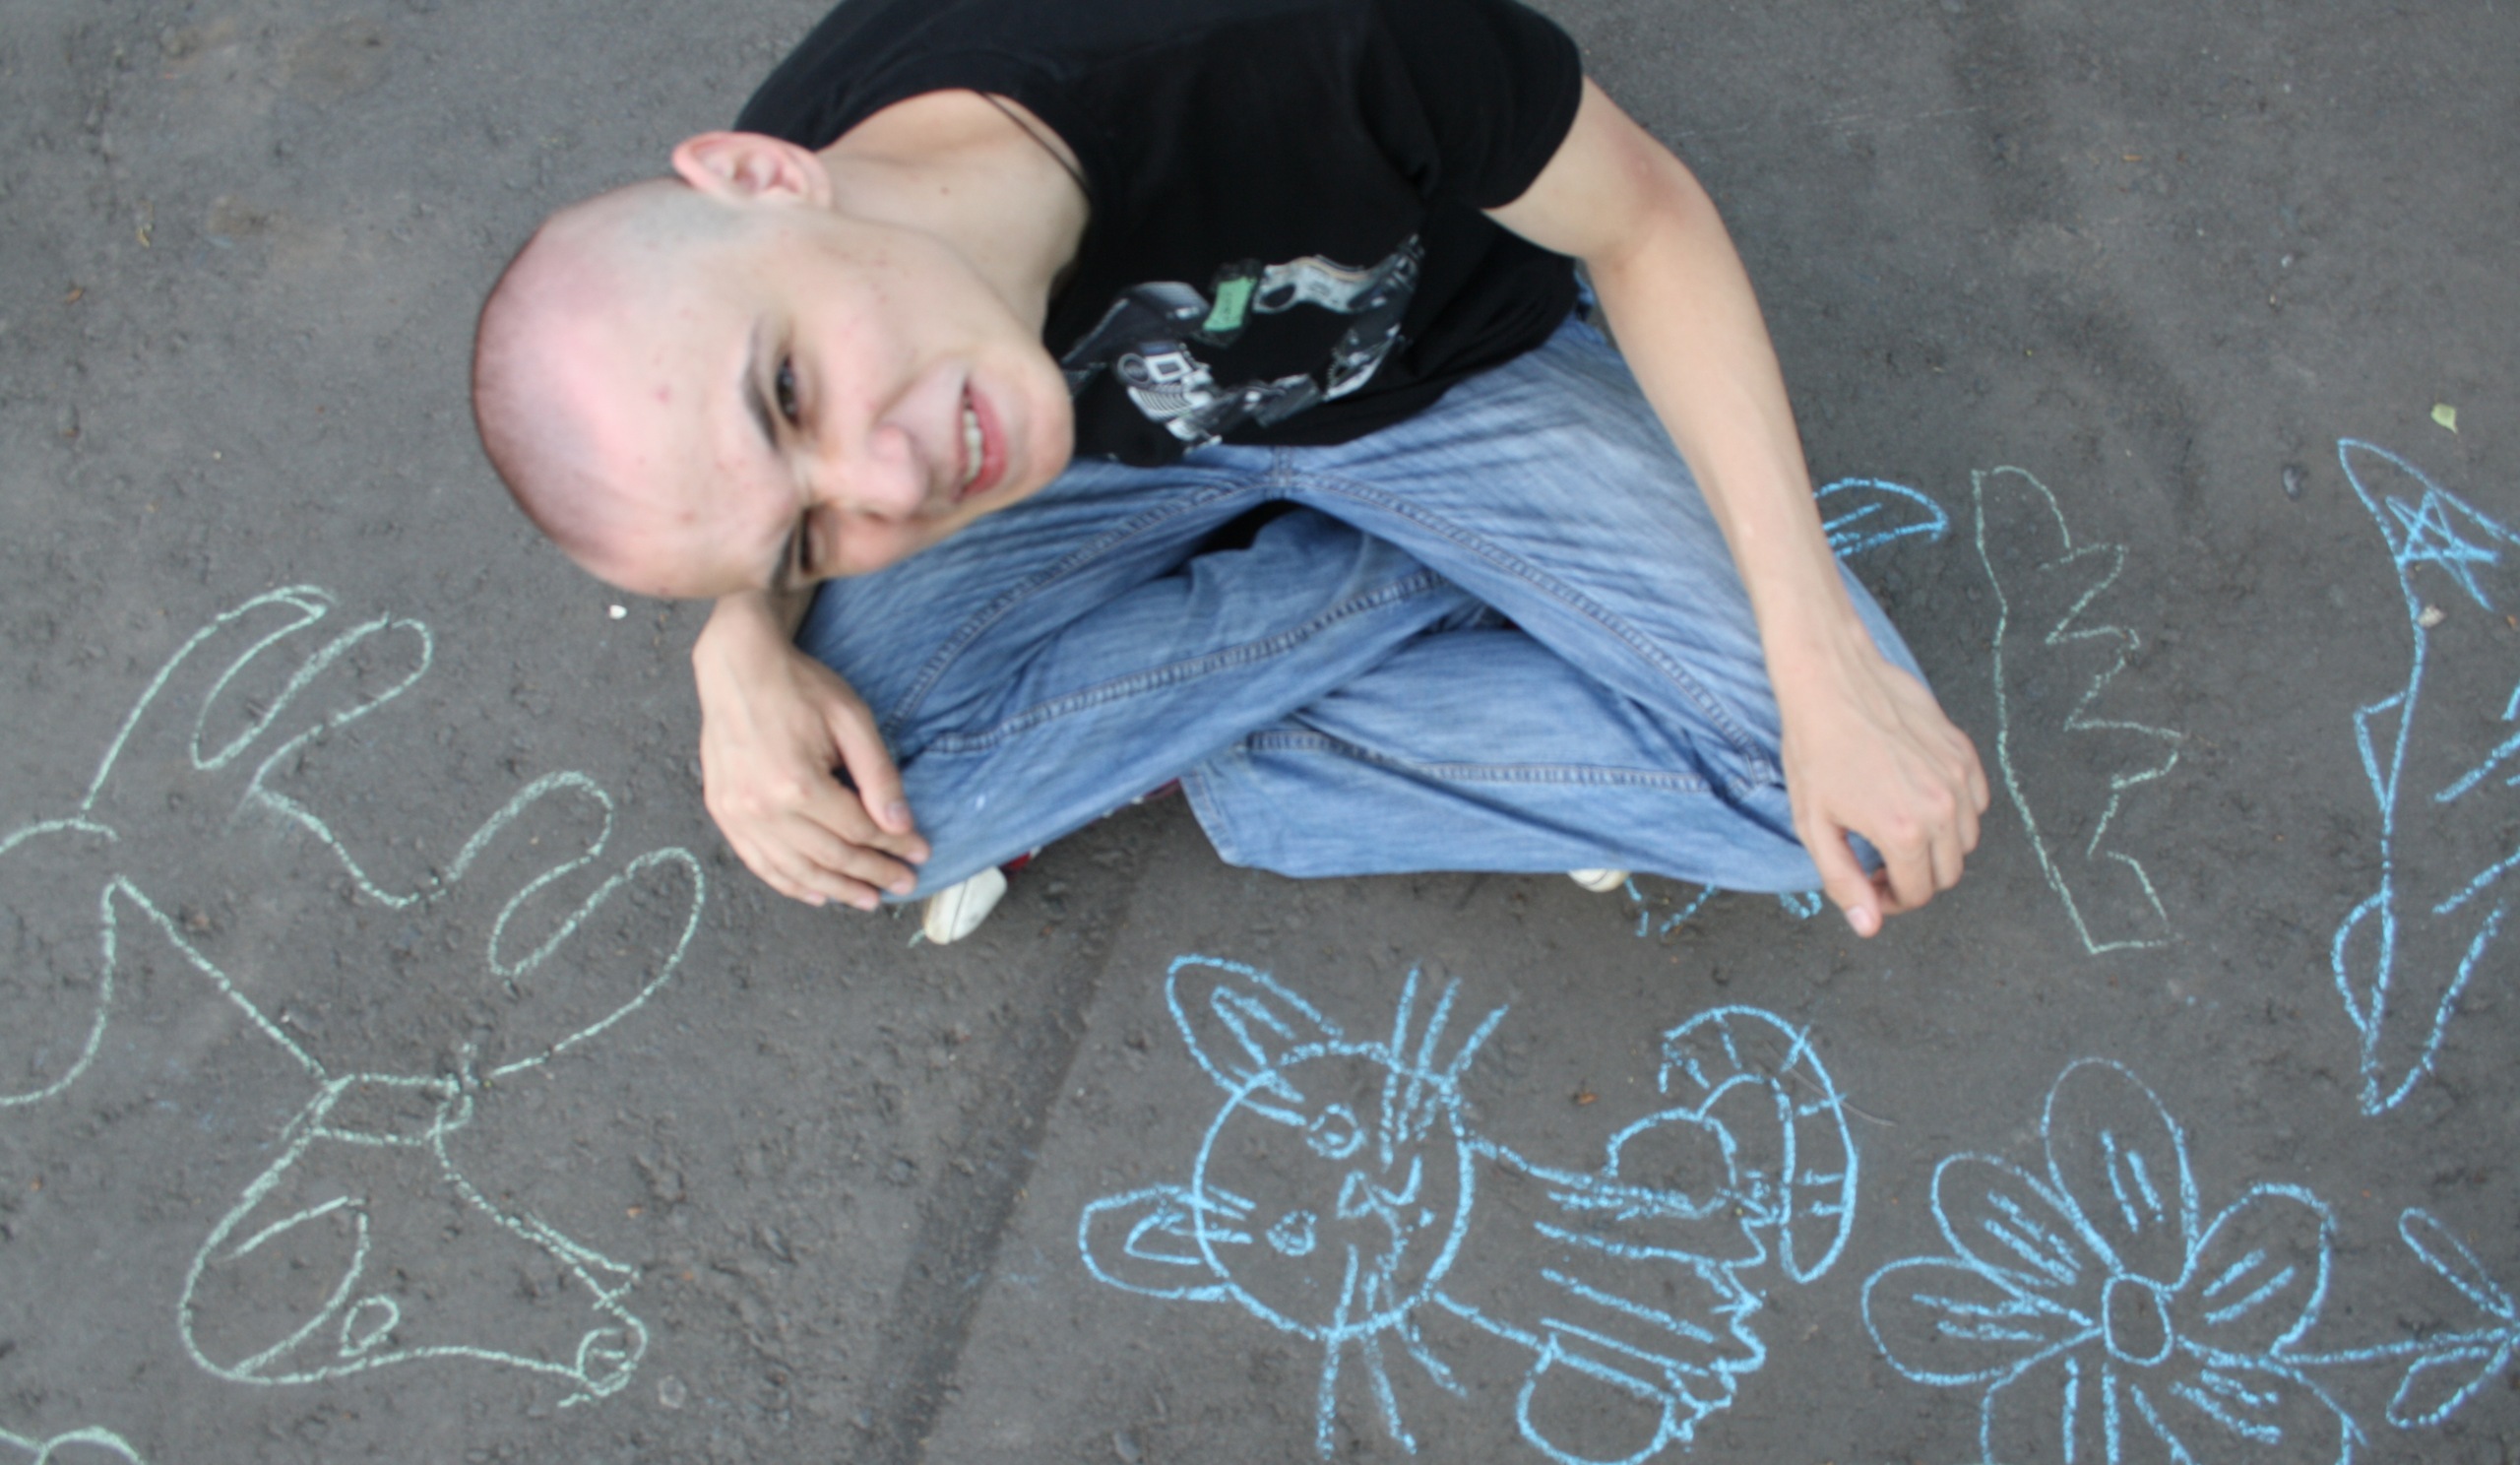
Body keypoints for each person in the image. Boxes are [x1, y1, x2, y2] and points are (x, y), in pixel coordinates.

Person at [472, 0, 1987, 944]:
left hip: (1444, 378)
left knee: (1845, 810)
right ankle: (1394, 631)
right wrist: (740, 640)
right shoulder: (808, 314)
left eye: (793, 390)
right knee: (853, 817)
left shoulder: (1291, 44)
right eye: (810, 537)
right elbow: (745, 488)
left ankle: (1228, 745)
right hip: (1117, 456)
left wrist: (1817, 659)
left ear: (762, 175)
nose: (889, 482)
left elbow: (1645, 218)